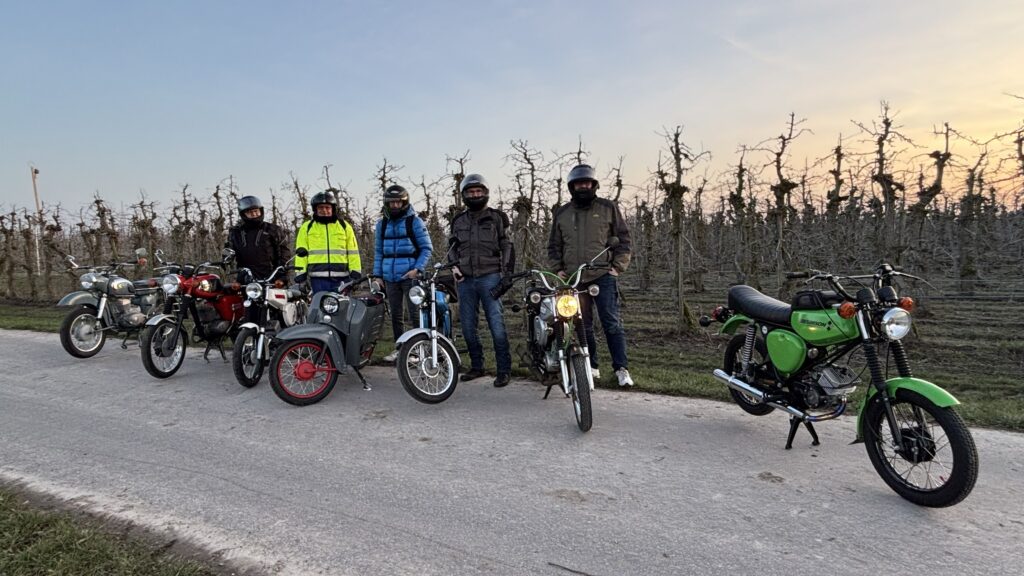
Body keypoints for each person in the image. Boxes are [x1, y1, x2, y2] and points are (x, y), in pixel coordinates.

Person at [547, 164, 634, 387]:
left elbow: (623, 239)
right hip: (574, 279)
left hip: (603, 274)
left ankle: (621, 369)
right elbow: (554, 246)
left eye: (586, 183)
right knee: (581, 325)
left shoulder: (608, 208)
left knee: (611, 323)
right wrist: (558, 269)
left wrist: (618, 267)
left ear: (594, 185)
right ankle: (591, 366)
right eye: (578, 183)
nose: (582, 186)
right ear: (572, 187)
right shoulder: (562, 213)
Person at [448, 173, 513, 387]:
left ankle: (504, 370)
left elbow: (507, 246)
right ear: (464, 195)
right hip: (466, 280)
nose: (475, 195)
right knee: (467, 325)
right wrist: (454, 266)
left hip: (491, 276)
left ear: (485, 193)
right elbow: (452, 248)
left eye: (478, 191)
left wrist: (507, 274)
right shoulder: (458, 221)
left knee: (496, 324)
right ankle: (477, 366)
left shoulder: (497, 217)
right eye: (470, 192)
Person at [373, 184, 433, 362]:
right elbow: (379, 252)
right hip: (389, 278)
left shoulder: (414, 222)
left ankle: (421, 351)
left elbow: (426, 248)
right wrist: (378, 275)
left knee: (416, 315)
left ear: (404, 202)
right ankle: (400, 349)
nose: (395, 206)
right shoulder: (381, 225)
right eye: (391, 203)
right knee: (396, 316)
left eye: (398, 203)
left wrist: (417, 269)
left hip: (410, 276)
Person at [294, 189, 362, 294]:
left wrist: (356, 273)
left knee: (343, 308)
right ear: (315, 209)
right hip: (318, 279)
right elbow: (300, 254)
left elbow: (353, 252)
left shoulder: (344, 226)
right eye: (321, 207)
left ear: (333, 209)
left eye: (327, 207)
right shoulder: (307, 227)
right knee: (321, 308)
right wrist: (301, 276)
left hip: (342, 278)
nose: (324, 210)